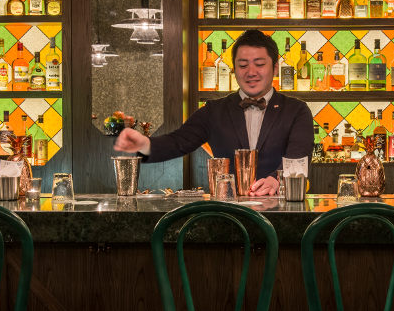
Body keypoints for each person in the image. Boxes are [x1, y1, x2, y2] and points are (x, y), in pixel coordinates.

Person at [114, 29, 314, 196]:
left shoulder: (296, 110)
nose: (251, 72)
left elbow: (299, 155)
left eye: (260, 64)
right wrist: (144, 145)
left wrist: (275, 180)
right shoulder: (214, 110)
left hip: (279, 208)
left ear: (275, 68)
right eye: (243, 65)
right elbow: (179, 141)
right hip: (228, 213)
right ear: (234, 69)